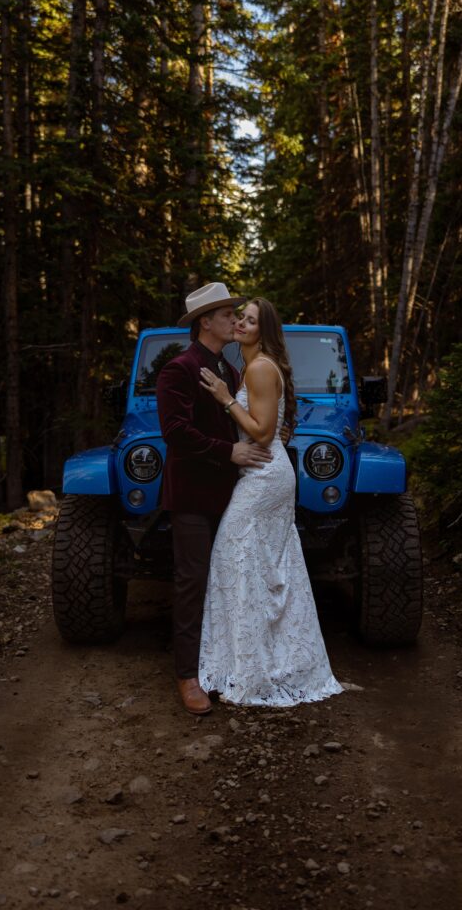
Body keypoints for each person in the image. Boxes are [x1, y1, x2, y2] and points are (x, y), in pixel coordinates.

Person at [197, 298, 343, 706]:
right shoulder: (252, 366)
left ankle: (252, 668)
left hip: (264, 476)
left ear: (264, 330)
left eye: (249, 320)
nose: (241, 323)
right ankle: (257, 661)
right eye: (239, 317)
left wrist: (226, 398)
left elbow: (261, 434)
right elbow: (275, 424)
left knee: (235, 555)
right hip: (263, 472)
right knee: (263, 566)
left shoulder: (259, 367)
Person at [156, 283, 273, 715]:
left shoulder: (230, 368)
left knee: (231, 581)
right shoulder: (178, 369)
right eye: (227, 314)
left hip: (233, 493)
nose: (234, 320)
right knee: (193, 581)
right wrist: (229, 451)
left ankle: (223, 666)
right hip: (191, 496)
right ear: (206, 321)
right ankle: (187, 676)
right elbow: (176, 433)